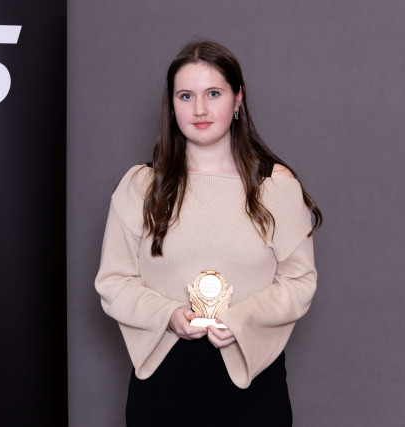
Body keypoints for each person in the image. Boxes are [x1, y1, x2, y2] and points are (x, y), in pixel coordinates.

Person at [95, 40, 322, 426]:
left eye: (213, 93)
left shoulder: (276, 187)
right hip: (161, 390)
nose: (199, 109)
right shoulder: (140, 186)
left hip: (253, 389)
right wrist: (168, 315)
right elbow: (113, 281)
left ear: (238, 99)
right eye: (186, 96)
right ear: (172, 106)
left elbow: (299, 282)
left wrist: (241, 320)